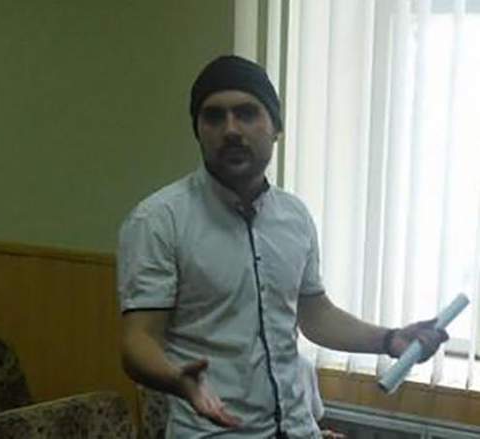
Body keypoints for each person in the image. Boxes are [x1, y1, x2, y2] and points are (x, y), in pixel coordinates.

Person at [117, 55, 447, 438]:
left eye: (247, 113)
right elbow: (138, 339)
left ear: (276, 127)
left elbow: (316, 315)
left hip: (297, 428)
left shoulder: (294, 217)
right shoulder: (158, 221)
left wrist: (390, 340)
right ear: (198, 131)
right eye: (214, 117)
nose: (231, 130)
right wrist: (177, 380)